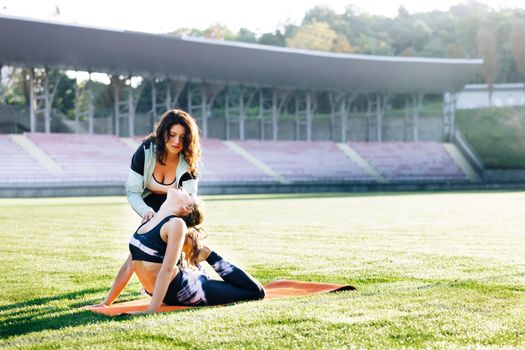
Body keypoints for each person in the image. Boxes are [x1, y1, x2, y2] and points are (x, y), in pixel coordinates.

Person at [94, 188, 265, 314]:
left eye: (190, 195)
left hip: (190, 288)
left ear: (186, 209)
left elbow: (167, 270)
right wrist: (106, 303)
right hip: (168, 291)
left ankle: (207, 254)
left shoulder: (176, 224)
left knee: (255, 291)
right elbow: (128, 266)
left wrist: (151, 309)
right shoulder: (149, 220)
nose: (184, 189)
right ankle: (200, 260)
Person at [126, 109, 201, 223]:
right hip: (147, 203)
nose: (177, 141)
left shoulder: (188, 159)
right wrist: (145, 211)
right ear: (163, 133)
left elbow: (190, 198)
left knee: (186, 235)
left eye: (183, 137)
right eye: (172, 135)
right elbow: (132, 192)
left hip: (176, 206)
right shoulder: (146, 151)